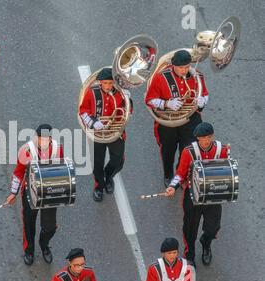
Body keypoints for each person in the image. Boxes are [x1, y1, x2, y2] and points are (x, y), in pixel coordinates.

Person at [165, 122, 229, 267]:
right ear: (197, 139)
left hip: (213, 195)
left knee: (213, 228)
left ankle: (206, 243)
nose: (205, 141)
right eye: (201, 138)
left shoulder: (222, 150)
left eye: (208, 137)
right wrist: (172, 186)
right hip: (193, 195)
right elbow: (180, 173)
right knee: (190, 228)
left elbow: (227, 170)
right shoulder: (189, 152)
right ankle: (190, 254)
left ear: (212, 136)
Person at [145, 50, 209, 187]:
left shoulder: (197, 76)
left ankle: (180, 174)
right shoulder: (161, 77)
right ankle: (168, 175)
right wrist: (167, 103)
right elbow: (149, 100)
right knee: (168, 151)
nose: (184, 71)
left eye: (187, 67)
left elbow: (204, 93)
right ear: (173, 65)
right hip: (168, 121)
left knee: (188, 150)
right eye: (181, 68)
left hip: (190, 119)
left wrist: (202, 101)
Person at [5, 124, 64, 266]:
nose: (44, 141)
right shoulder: (26, 151)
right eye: (40, 138)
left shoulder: (57, 149)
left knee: (50, 226)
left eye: (46, 138)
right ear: (35, 138)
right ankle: (29, 250)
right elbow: (19, 172)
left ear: (50, 138)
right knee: (29, 223)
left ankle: (44, 245)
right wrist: (13, 193)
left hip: (49, 192)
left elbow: (61, 170)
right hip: (30, 191)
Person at [79, 67, 132, 202]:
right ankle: (99, 186)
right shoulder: (92, 93)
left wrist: (128, 100)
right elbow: (83, 111)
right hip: (97, 134)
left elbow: (128, 112)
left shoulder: (121, 94)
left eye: (110, 83)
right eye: (105, 83)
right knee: (97, 163)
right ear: (100, 83)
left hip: (115, 132)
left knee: (118, 160)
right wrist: (93, 122)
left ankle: (108, 177)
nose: (108, 86)